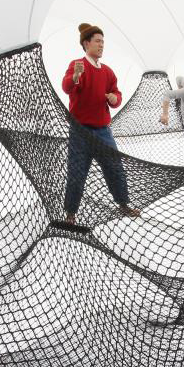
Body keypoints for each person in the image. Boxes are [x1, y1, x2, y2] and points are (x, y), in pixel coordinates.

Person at [62, 23, 141, 224]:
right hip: (80, 132)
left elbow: (117, 94)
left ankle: (123, 204)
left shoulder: (107, 72)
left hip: (103, 131)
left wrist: (114, 98)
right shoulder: (77, 65)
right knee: (77, 172)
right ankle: (71, 214)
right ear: (86, 43)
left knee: (115, 167)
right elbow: (66, 86)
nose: (101, 45)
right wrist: (76, 76)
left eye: (103, 42)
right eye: (97, 41)